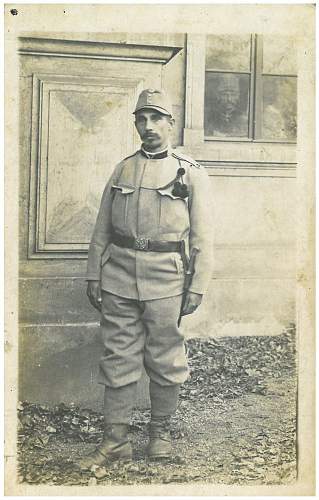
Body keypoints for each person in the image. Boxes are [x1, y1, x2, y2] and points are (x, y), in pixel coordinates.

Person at [78, 89, 213, 469]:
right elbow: (102, 228)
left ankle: (160, 435)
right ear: (136, 123)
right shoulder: (122, 169)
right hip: (118, 275)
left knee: (165, 357)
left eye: (156, 118)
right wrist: (93, 273)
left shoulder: (189, 172)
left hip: (166, 279)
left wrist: (197, 284)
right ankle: (115, 440)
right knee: (118, 355)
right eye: (142, 119)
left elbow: (203, 235)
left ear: (171, 124)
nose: (148, 126)